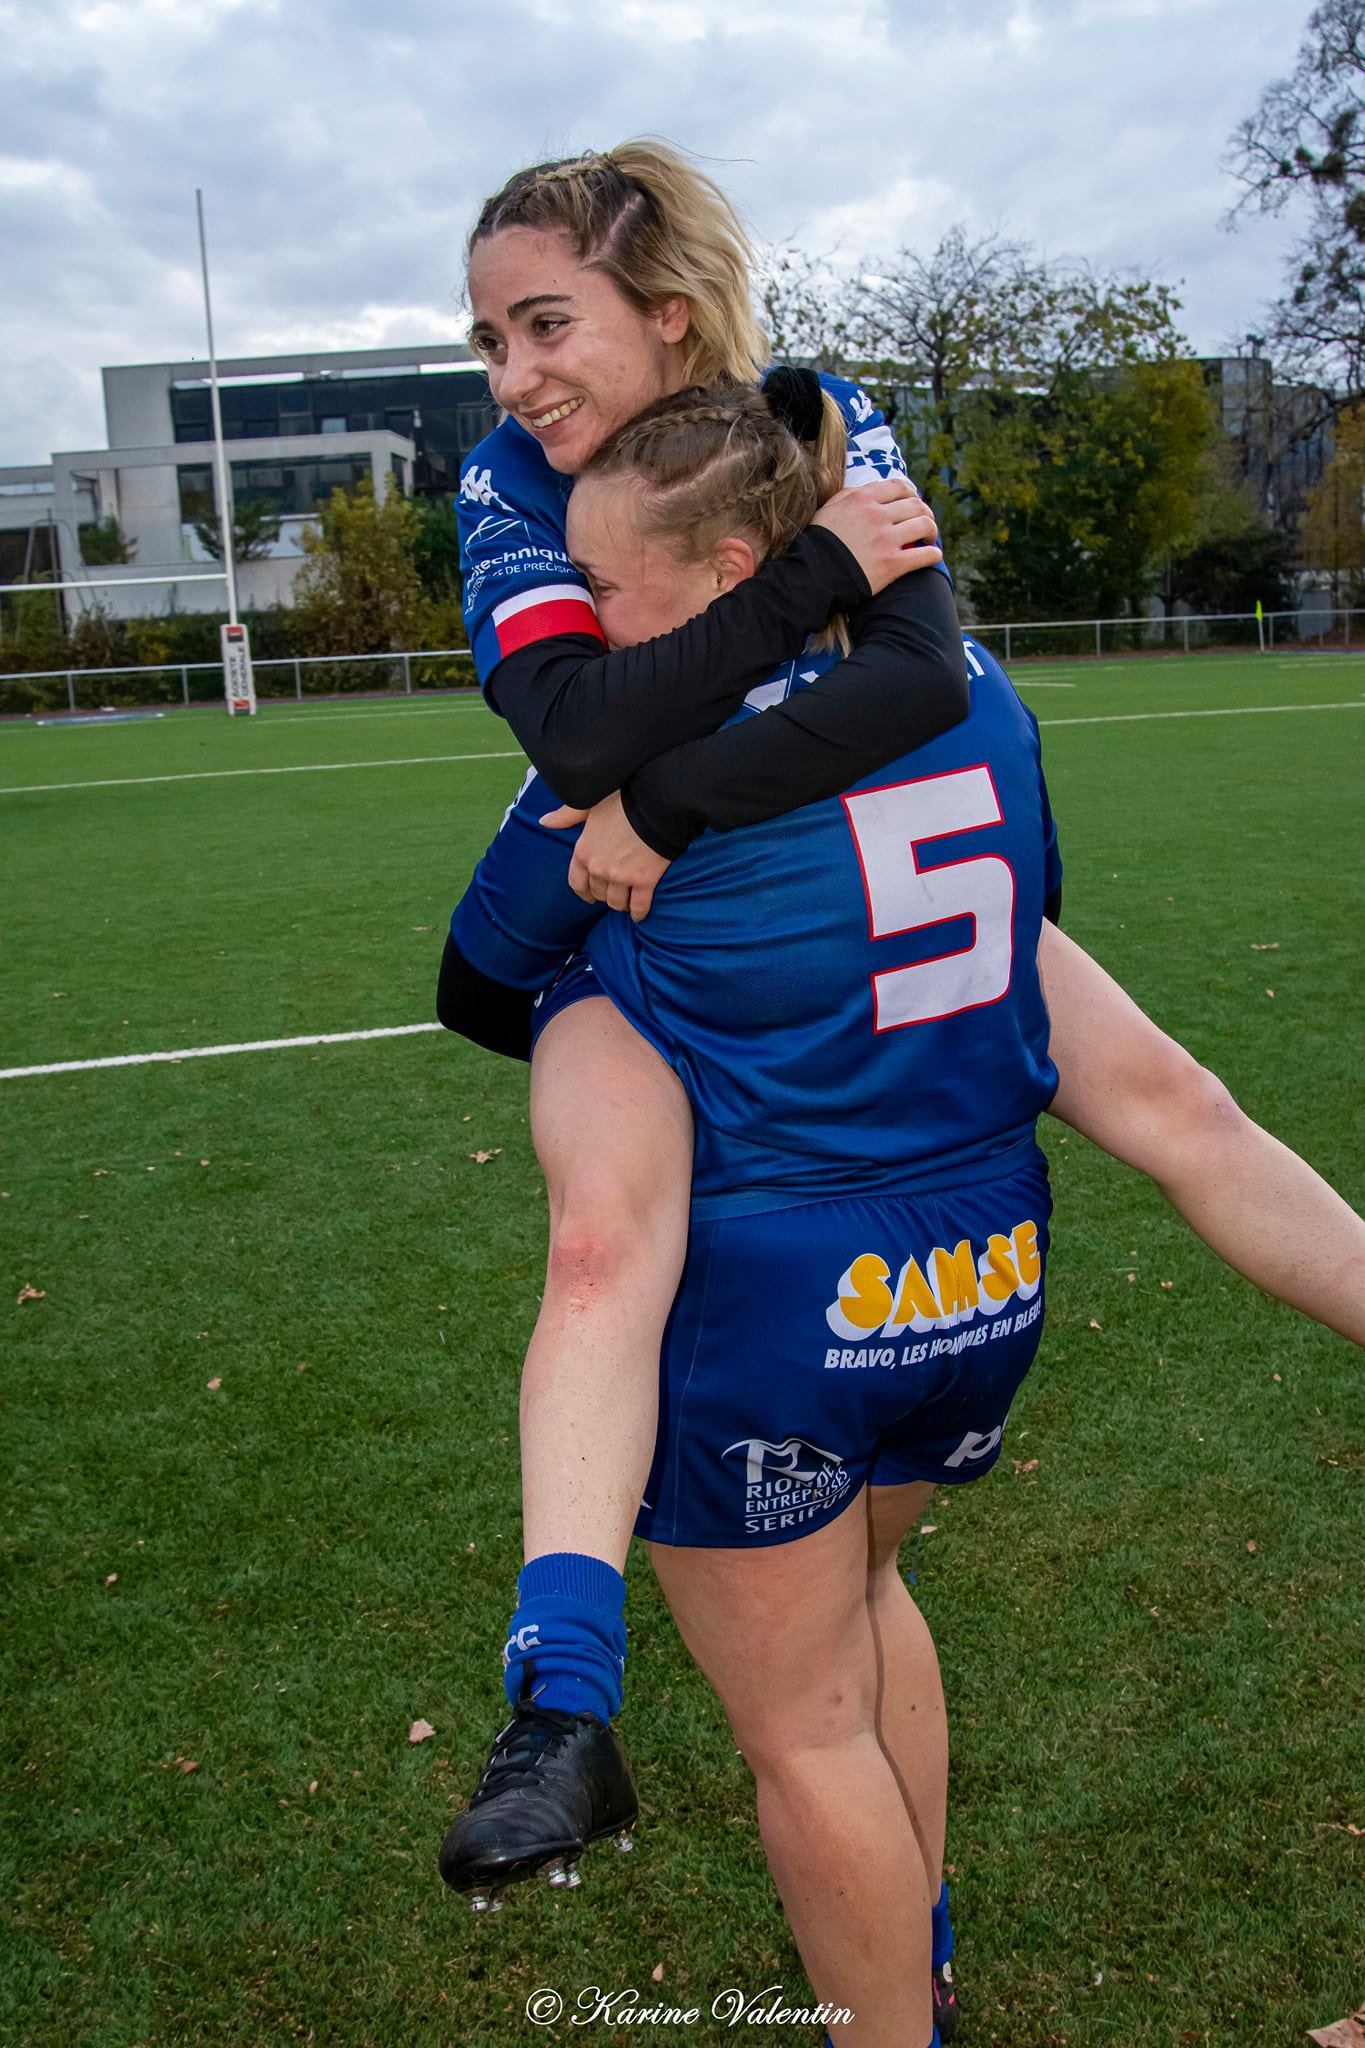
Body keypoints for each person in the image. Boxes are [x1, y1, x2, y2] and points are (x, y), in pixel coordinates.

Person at [438, 383, 1365, 2048]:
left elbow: (477, 970)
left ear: (732, 571)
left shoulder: (635, 760)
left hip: (783, 1298)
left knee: (800, 1730)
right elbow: (1158, 1086)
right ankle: (913, 1942)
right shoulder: (972, 693)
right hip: (986, 1268)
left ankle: (856, 1984)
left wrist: (606, 905)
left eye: (614, 597)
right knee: (864, 1615)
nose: (586, 637)